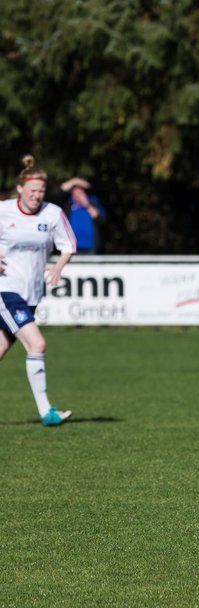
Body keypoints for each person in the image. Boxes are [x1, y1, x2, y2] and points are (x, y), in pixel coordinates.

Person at [0, 156, 76, 426]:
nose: (37, 195)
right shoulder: (3, 210)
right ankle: (47, 413)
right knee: (37, 343)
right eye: (32, 190)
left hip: (31, 293)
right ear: (20, 188)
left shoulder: (52, 213)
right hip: (5, 291)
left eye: (41, 190)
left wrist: (58, 267)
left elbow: (68, 245)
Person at [59, 176, 106, 254]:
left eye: (80, 192)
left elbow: (101, 219)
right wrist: (74, 181)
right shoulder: (68, 204)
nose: (78, 195)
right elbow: (59, 192)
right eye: (75, 192)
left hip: (91, 248)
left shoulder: (93, 201)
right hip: (72, 248)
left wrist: (86, 204)